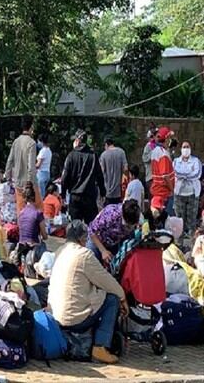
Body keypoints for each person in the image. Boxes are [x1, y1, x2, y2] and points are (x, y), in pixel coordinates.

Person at [49, 220, 127, 364]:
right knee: (112, 299)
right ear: (81, 239)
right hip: (74, 319)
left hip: (56, 317)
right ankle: (100, 347)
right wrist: (123, 297)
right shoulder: (84, 255)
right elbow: (107, 281)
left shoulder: (60, 252)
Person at [61, 129, 105, 224]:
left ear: (77, 141)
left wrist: (63, 194)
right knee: (91, 227)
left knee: (75, 227)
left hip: (75, 196)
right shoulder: (93, 156)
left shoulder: (71, 156)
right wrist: (102, 192)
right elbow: (99, 175)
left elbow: (65, 177)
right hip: (89, 196)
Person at [87, 199, 141, 263]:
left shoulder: (135, 214)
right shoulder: (110, 214)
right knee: (91, 262)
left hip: (115, 242)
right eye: (127, 226)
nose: (129, 229)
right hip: (97, 241)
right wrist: (103, 251)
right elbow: (91, 231)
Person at [5, 115, 38, 211]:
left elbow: (10, 160)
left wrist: (8, 177)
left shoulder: (16, 141)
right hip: (29, 184)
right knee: (34, 210)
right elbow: (31, 166)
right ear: (31, 126)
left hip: (17, 182)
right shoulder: (31, 143)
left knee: (20, 209)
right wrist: (29, 183)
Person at [173, 141, 201, 235]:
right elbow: (175, 173)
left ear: (190, 149)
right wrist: (189, 173)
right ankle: (179, 244)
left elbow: (197, 174)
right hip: (179, 194)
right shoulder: (176, 161)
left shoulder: (196, 161)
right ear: (181, 149)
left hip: (192, 194)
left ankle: (192, 243)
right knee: (179, 221)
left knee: (192, 221)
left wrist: (183, 175)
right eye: (184, 147)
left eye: (187, 147)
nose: (185, 149)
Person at [150, 127, 175, 216]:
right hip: (164, 193)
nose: (170, 141)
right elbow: (165, 176)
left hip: (158, 190)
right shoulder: (163, 154)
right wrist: (173, 190)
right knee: (168, 219)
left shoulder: (155, 151)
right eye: (169, 138)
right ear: (166, 138)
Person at [100, 137, 128, 206]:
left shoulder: (103, 155)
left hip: (107, 191)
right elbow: (126, 169)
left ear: (106, 144)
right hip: (119, 191)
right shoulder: (121, 152)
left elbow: (101, 171)